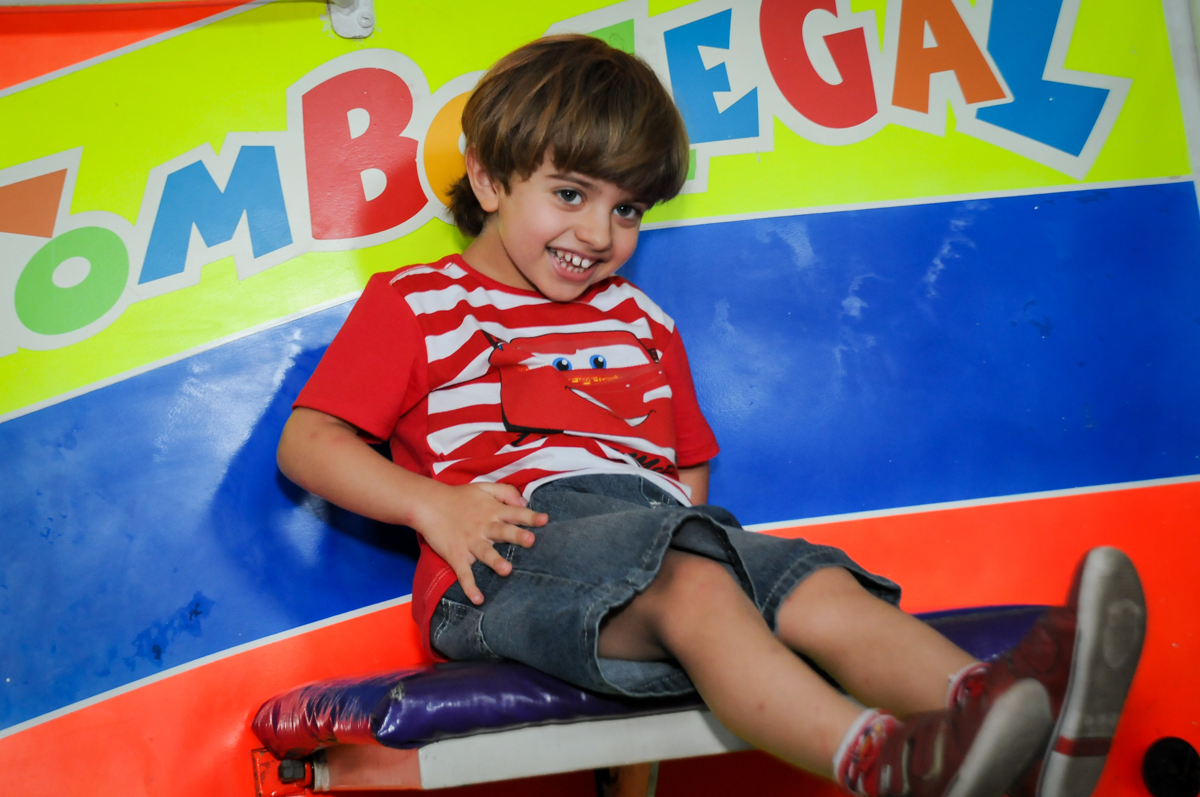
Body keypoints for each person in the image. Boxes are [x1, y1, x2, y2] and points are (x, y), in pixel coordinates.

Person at [276, 35, 1145, 797]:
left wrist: (690, 549)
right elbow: (309, 440)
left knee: (813, 583)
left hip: (665, 536)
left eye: (627, 208)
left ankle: (999, 722)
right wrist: (434, 505)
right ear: (489, 178)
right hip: (512, 554)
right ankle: (890, 762)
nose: (601, 232)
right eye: (571, 193)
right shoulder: (420, 300)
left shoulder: (643, 321)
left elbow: (681, 474)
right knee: (694, 578)